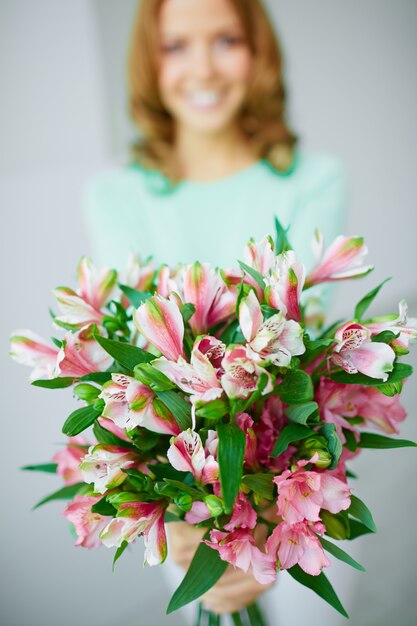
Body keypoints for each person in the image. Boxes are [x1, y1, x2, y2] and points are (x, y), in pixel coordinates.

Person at [83, 0, 350, 623]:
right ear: (148, 62)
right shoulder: (113, 194)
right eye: (176, 46)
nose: (202, 68)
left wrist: (256, 513)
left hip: (292, 489)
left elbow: (301, 353)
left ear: (259, 51)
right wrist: (179, 513)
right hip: (182, 501)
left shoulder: (313, 178)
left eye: (225, 39)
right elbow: (134, 353)